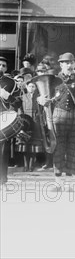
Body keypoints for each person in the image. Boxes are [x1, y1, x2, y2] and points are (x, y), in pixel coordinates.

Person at [36, 53, 75, 190]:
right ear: (61, 64)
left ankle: (68, 183)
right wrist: (40, 100)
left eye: (71, 62)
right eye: (66, 62)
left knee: (74, 150)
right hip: (58, 118)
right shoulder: (53, 80)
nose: (69, 65)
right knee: (58, 150)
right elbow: (41, 97)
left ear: (74, 64)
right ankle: (58, 183)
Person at [0, 56, 23, 188]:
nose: (1, 67)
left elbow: (19, 102)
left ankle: (2, 181)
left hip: (3, 119)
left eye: (3, 65)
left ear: (6, 68)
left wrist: (8, 96)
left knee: (3, 151)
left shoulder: (11, 83)